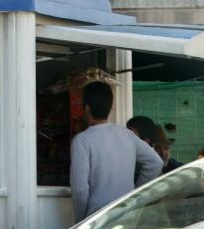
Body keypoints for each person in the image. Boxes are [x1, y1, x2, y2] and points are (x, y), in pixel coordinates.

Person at [70, 82, 163, 220]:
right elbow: (155, 162)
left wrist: (81, 221)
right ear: (110, 107)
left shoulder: (82, 140)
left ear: (87, 108)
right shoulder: (127, 135)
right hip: (128, 216)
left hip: (97, 220)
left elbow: (80, 189)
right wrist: (134, 196)